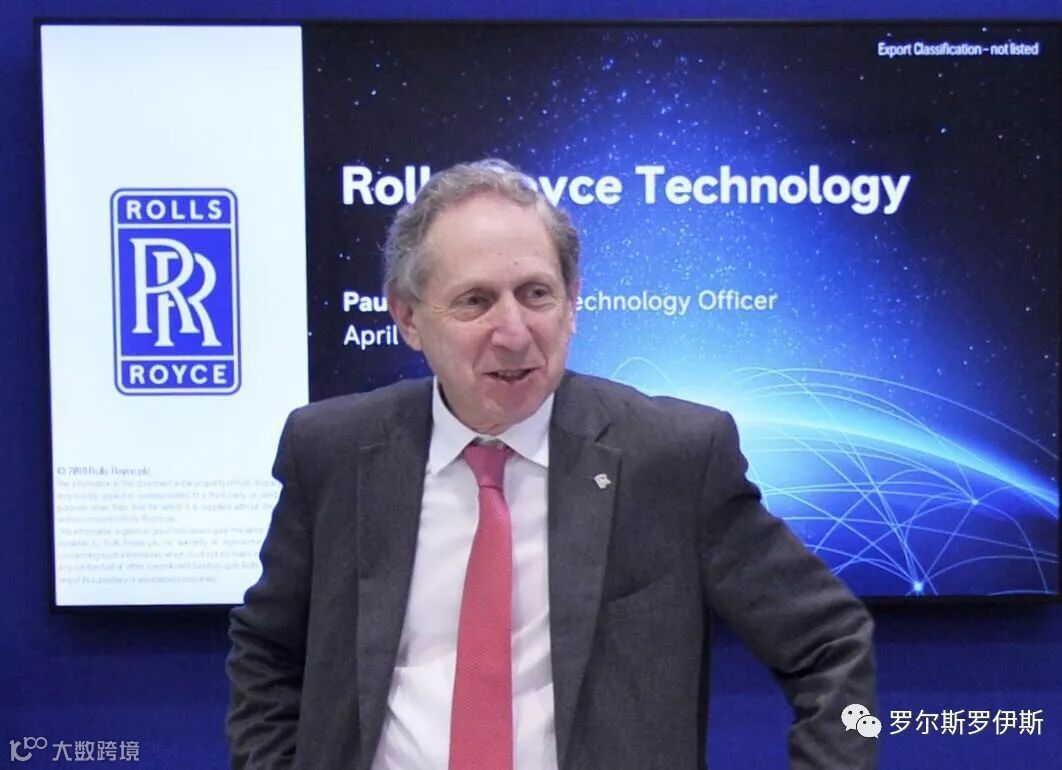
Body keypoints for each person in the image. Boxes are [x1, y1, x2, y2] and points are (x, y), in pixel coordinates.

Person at [226, 159, 877, 769]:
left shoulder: (671, 458)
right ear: (408, 317)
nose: (513, 332)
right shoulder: (333, 451)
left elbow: (831, 641)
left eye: (536, 294)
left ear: (571, 303)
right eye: (475, 301)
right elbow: (268, 653)